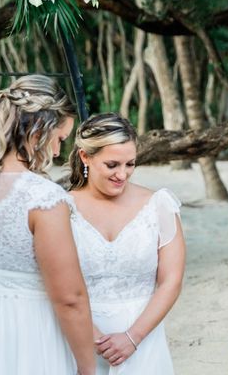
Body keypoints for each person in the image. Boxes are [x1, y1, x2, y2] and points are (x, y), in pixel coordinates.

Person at [0, 74, 96, 375]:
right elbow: (69, 298)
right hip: (25, 333)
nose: (58, 152)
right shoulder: (42, 197)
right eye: (60, 139)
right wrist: (88, 368)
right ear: (38, 130)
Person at [68, 112, 186, 374]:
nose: (122, 174)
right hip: (78, 338)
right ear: (85, 157)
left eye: (130, 164)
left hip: (143, 339)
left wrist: (132, 338)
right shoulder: (61, 208)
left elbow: (171, 280)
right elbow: (56, 284)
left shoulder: (159, 205)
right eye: (112, 165)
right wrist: (96, 338)